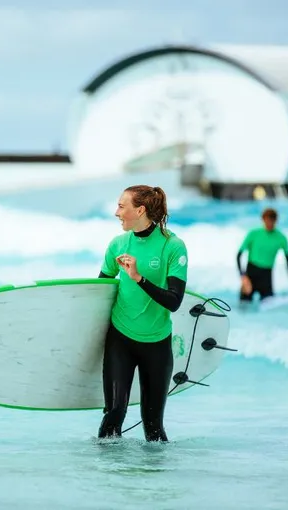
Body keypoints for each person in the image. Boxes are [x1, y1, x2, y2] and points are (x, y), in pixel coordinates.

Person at [96, 185, 188, 443]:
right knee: (114, 413)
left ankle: (156, 470)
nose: (116, 213)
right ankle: (104, 468)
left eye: (121, 206)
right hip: (120, 339)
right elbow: (99, 294)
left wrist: (138, 278)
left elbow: (174, 301)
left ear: (140, 210)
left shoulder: (173, 246)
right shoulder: (118, 244)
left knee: (153, 426)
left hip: (157, 343)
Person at [237, 207, 288, 302]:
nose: (269, 224)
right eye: (267, 221)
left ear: (276, 221)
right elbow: (238, 255)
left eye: (271, 221)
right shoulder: (253, 234)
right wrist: (243, 277)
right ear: (263, 220)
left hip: (266, 277)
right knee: (244, 307)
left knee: (268, 307)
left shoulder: (281, 238)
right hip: (251, 275)